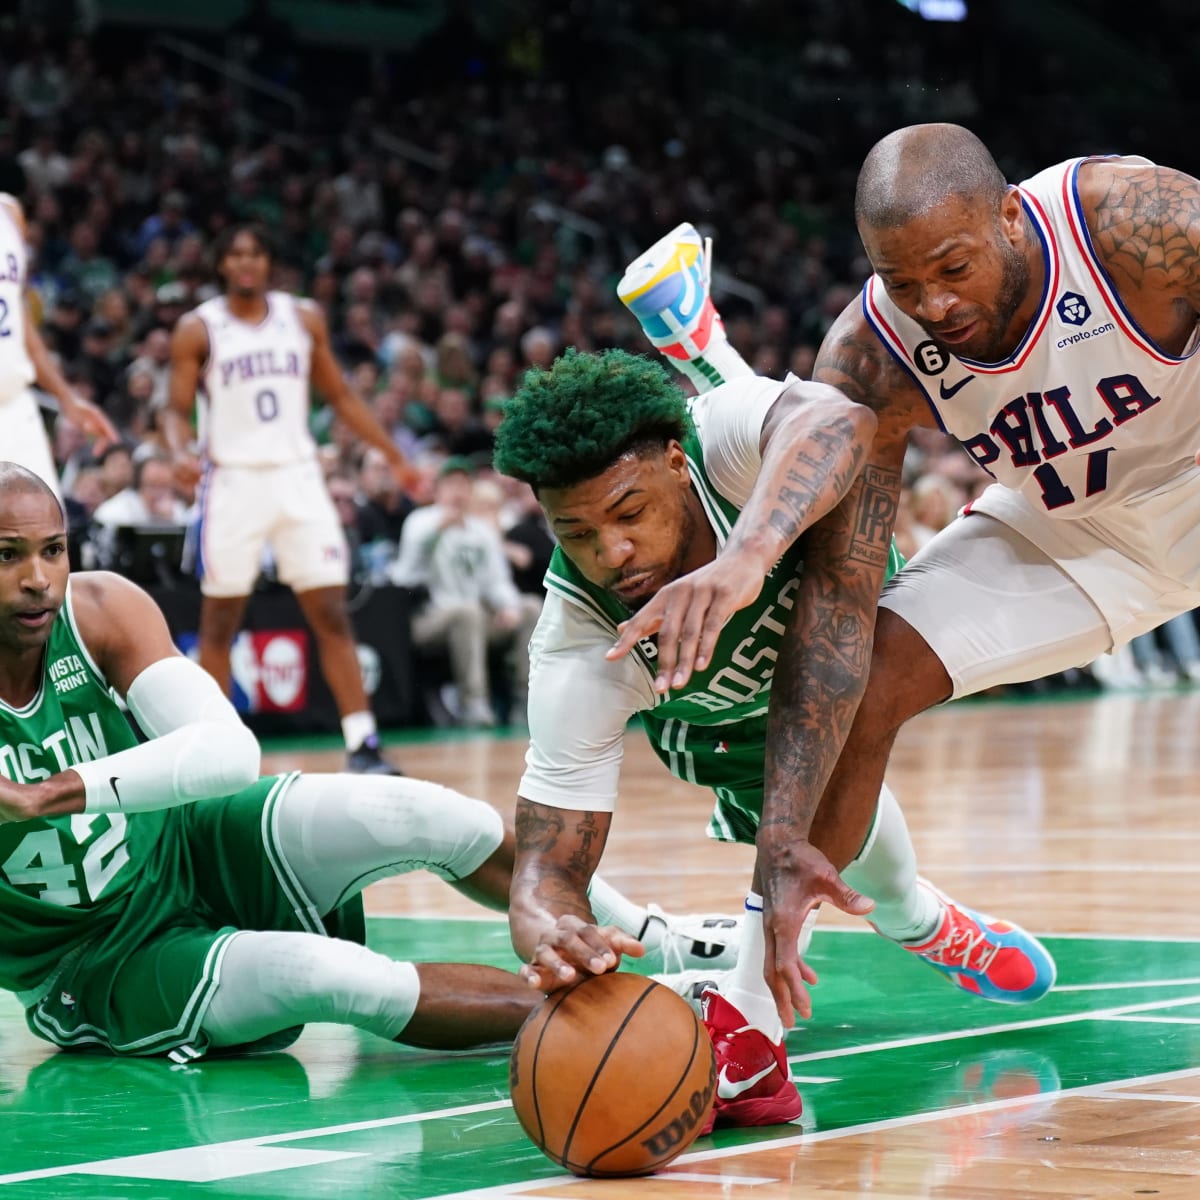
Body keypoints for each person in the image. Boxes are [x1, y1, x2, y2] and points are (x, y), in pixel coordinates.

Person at [608, 127, 1200, 1040]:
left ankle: (706, 349)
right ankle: (754, 1017)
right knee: (870, 673)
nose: (934, 303)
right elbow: (837, 602)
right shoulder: (873, 355)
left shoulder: (1133, 223)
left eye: (953, 268)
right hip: (1070, 530)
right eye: (903, 282)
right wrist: (784, 832)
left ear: (1012, 216)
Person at [494, 225, 1054, 1135]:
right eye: (577, 534)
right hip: (733, 730)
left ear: (674, 462)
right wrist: (543, 920)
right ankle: (925, 923)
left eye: (629, 513)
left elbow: (843, 420)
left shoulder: (713, 440)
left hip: (836, 589)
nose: (613, 552)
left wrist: (746, 557)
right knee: (871, 871)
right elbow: (548, 865)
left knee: (783, 430)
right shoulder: (578, 644)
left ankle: (707, 356)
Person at [0, 461, 738, 1061]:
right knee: (335, 977)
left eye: (52, 550)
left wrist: (46, 794)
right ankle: (647, 1010)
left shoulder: (98, 609)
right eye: (7, 556)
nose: (38, 577)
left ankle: (657, 940)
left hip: (188, 844)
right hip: (97, 961)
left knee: (424, 812)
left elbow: (228, 752)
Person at [163, 222, 411, 775]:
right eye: (236, 254)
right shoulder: (198, 328)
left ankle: (362, 742)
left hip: (298, 476)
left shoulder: (303, 318)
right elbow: (175, 411)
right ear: (222, 264)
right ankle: (217, 745)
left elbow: (340, 396)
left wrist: (394, 455)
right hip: (232, 481)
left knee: (331, 611)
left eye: (256, 253)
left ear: (269, 262)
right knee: (219, 620)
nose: (246, 262)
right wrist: (179, 451)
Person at [391, 458, 541, 728]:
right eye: (451, 484)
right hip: (428, 618)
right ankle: (474, 703)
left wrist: (508, 606)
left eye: (463, 484)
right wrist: (436, 532)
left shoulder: (481, 531)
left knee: (529, 607)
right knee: (468, 613)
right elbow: (404, 575)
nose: (457, 491)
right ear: (438, 489)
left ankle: (526, 700)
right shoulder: (420, 521)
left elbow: (496, 581)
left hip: (475, 617)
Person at [0, 193, 116, 496]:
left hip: (15, 405)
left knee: (48, 518)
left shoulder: (9, 212)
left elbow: (21, 324)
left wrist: (66, 397)